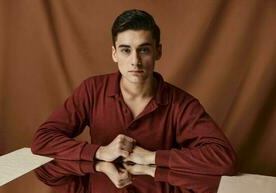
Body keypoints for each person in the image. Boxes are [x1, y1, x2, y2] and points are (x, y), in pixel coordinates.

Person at [31, 9, 236, 183]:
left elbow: (223, 158)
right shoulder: (92, 90)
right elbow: (43, 140)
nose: (135, 61)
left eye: (144, 50)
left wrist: (152, 157)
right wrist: (100, 152)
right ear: (114, 54)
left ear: (158, 52)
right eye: (126, 50)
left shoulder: (181, 103)